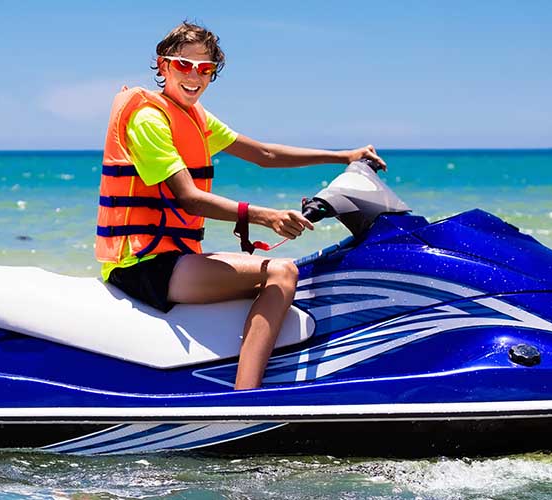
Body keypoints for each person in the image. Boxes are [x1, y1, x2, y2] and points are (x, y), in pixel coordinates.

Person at [95, 21, 385, 390]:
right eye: (183, 65)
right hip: (142, 265)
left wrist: (343, 156)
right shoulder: (149, 118)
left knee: (303, 275)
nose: (194, 77)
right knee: (281, 272)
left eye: (205, 69)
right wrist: (264, 216)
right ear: (163, 65)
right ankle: (244, 396)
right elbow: (188, 197)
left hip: (172, 258)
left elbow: (263, 153)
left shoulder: (194, 118)